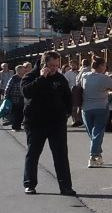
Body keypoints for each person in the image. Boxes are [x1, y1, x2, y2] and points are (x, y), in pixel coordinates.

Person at [21, 52, 76, 196]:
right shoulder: (30, 77)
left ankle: (66, 187)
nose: (54, 69)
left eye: (57, 66)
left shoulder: (60, 78)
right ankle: (30, 184)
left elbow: (67, 97)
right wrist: (41, 78)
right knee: (33, 154)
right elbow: (26, 92)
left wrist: (67, 112)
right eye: (51, 66)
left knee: (61, 155)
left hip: (56, 122)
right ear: (44, 64)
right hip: (35, 122)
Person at [81, 56, 112, 167]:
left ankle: (98, 155)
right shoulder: (104, 78)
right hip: (101, 107)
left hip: (86, 108)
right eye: (105, 65)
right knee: (97, 132)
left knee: (92, 134)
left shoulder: (84, 76)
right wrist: (107, 91)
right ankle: (93, 156)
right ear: (101, 66)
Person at [5, 62, 29, 130]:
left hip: (22, 98)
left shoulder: (24, 77)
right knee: (15, 113)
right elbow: (8, 88)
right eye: (22, 69)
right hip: (14, 99)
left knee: (21, 113)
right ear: (18, 70)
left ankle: (18, 126)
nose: (24, 70)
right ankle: (15, 126)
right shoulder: (14, 78)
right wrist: (6, 97)